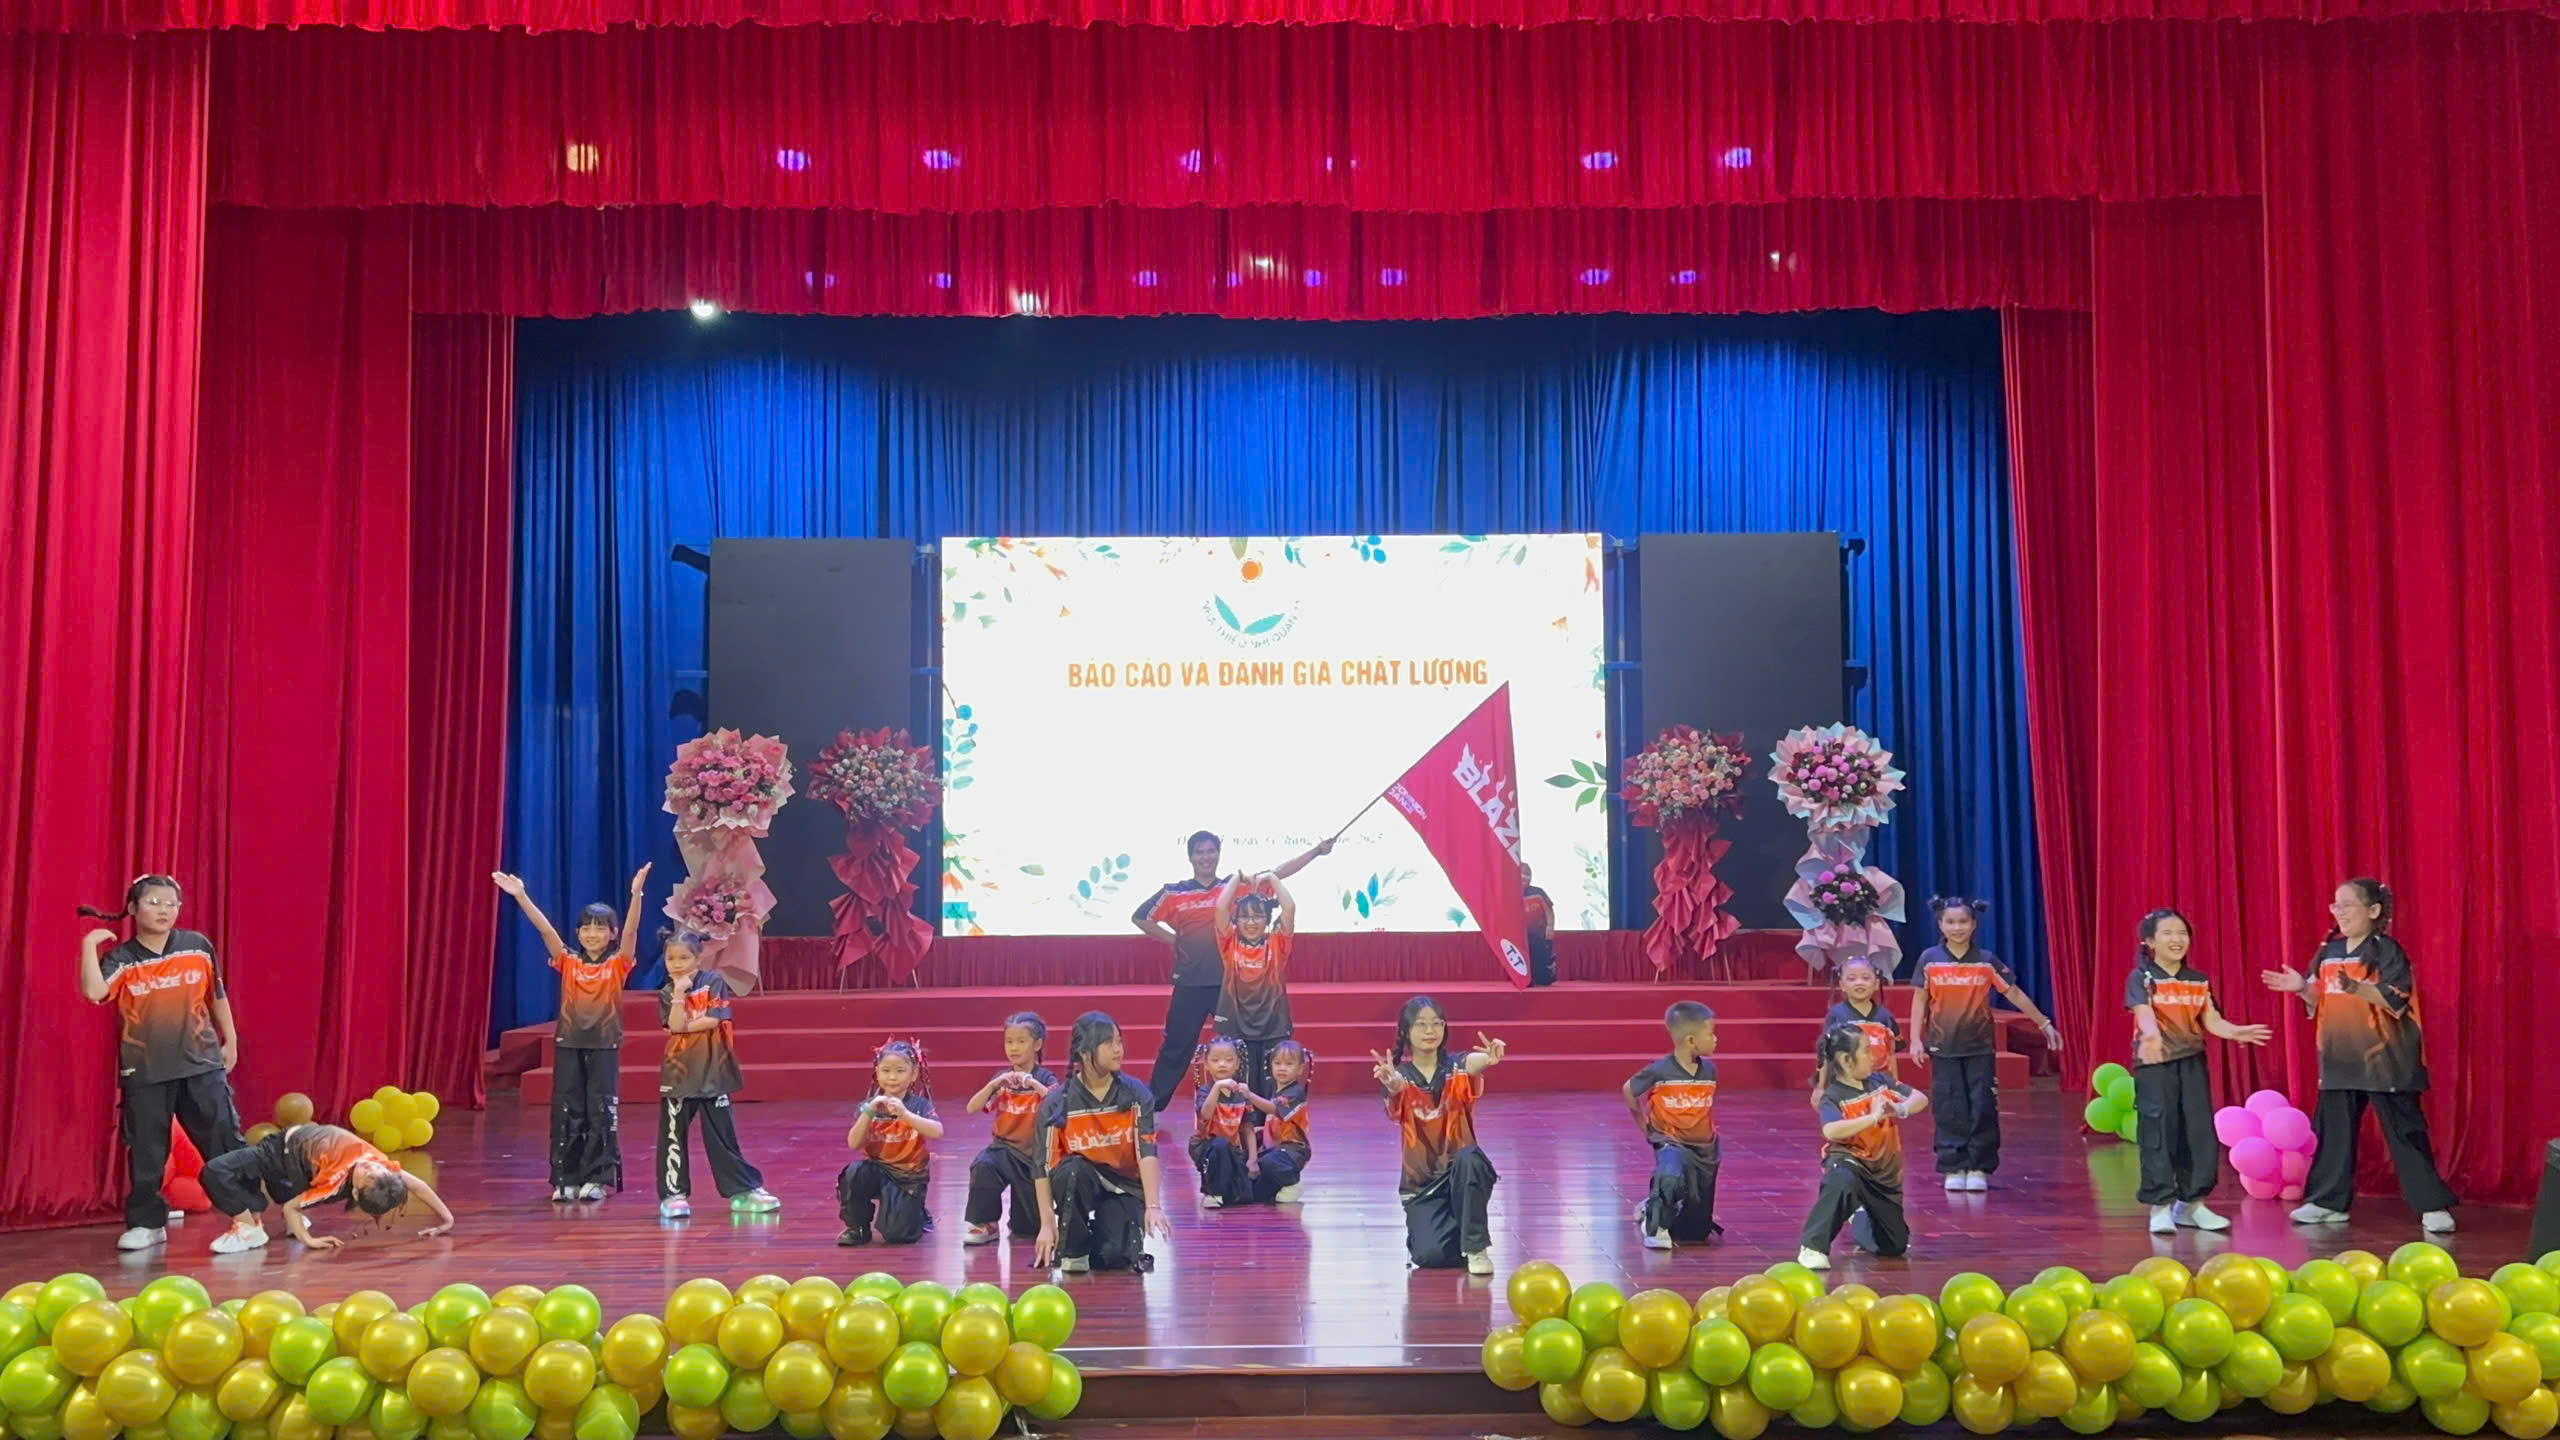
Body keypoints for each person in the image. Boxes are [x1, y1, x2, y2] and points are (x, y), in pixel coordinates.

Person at [2261, 877, 2458, 1234]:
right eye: (2335, 905)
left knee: (2405, 1133)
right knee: (2334, 1133)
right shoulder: (2329, 951)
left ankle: (2432, 1205)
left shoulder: (2386, 950)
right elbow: (2318, 998)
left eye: (2347, 905)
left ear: (2373, 910)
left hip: (2386, 1059)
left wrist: (2358, 988)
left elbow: (2396, 997)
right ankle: (2328, 1202)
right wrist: (2301, 988)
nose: (2339, 912)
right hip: (2339, 1057)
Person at [78, 875, 247, 1252]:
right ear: (133, 908)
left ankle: (249, 1217)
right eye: (154, 902)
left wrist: (231, 1039)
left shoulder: (197, 946)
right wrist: (88, 946)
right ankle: (147, 1223)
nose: (164, 910)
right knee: (147, 1150)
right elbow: (93, 991)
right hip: (145, 1071)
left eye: (171, 904)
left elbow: (216, 995)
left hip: (201, 1064)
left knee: (224, 1141)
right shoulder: (123, 958)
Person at [1131, 833, 1331, 1112]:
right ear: (1190, 857)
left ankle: (1248, 1111)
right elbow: (1140, 917)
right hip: (1191, 983)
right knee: (1176, 1046)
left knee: (1242, 1050)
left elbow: (1277, 873)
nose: (1205, 857)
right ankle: (1152, 1108)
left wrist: (1315, 852)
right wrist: (1173, 939)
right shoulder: (1174, 892)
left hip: (1231, 987)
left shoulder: (1233, 887)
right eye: (1199, 852)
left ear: (1218, 854)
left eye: (1211, 851)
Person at [494, 865, 650, 1202]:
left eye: (600, 928)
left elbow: (633, 931)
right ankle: (565, 1177)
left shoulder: (618, 964)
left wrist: (636, 894)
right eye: (586, 928)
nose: (592, 934)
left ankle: (597, 1177)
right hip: (568, 1045)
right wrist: (521, 896)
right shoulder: (568, 961)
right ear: (578, 933)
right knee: (567, 1108)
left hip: (604, 1045)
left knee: (600, 1109)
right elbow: (545, 929)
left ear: (612, 934)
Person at [2126, 909, 2269, 1234]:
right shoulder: (2142, 977)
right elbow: (2143, 1012)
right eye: (2167, 933)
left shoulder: (2198, 980)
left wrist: (2234, 1031)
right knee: (2159, 1132)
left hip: (2191, 1062)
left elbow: (2212, 1020)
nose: (2177, 939)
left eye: (2182, 933)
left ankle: (2191, 1205)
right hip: (2155, 1064)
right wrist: (2151, 1035)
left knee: (2198, 1132)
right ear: (2150, 941)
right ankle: (2160, 1206)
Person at [1906, 896, 2059, 1192]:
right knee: (1948, 1106)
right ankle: (1954, 1165)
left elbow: (2014, 993)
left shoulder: (1986, 960)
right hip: (1943, 1046)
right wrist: (1915, 1039)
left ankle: (1978, 1166)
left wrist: (2044, 1023)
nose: (1957, 927)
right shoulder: (1929, 959)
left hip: (1979, 1047)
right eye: (1950, 922)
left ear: (1974, 924)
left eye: (1963, 921)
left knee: (1982, 1105)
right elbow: (1920, 1000)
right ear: (1940, 924)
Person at [1373, 996, 1506, 1274]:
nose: (1430, 1031)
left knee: (1470, 1158)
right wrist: (1393, 1085)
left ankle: (1476, 1246)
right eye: (1421, 1024)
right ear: (1406, 1031)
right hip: (1422, 1186)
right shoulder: (1399, 1076)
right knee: (1430, 1256)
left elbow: (1474, 1063)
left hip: (1461, 1173)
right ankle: (1456, 1230)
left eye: (1436, 1023)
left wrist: (1489, 1058)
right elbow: (1395, 1091)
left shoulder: (1456, 1067)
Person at [655, 930, 780, 1221]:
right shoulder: (666, 993)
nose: (677, 964)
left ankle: (742, 1189)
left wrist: (684, 1026)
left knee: (722, 1135)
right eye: (671, 958)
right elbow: (674, 1025)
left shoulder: (713, 982)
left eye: (684, 958)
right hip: (678, 1073)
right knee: (673, 1135)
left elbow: (712, 1020)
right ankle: (673, 1194)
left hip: (713, 1069)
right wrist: (678, 994)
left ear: (698, 958)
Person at [1034, 1012, 1173, 1273]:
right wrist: (1046, 1224)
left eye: (1119, 1041)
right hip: (1081, 1179)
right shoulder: (1056, 1103)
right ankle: (1074, 1248)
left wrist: (1153, 1206)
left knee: (1115, 1256)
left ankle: (1099, 1236)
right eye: (1109, 1043)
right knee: (1071, 1171)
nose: (1118, 1049)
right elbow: (1043, 1167)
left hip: (1123, 1186)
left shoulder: (1136, 1094)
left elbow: (1147, 1152)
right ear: (1085, 1053)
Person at [204, 1123, 452, 1253]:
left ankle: (249, 1229)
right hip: (293, 1161)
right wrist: (447, 1219)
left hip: (280, 1155)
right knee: (271, 1184)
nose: (370, 1165)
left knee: (215, 1172)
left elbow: (290, 1207)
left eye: (367, 1174)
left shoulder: (333, 1183)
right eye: (376, 1169)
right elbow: (419, 1187)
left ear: (355, 1192)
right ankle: (286, 1222)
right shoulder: (384, 1169)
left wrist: (308, 1241)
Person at [1798, 1026, 1928, 1271]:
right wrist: (1873, 1117)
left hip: (1883, 1175)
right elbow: (1831, 1130)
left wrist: (1900, 1109)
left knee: (1894, 1245)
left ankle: (1859, 1216)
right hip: (1851, 1162)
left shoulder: (1880, 1082)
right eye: (1866, 1051)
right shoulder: (1833, 1096)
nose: (1873, 1056)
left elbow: (1920, 1098)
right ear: (1846, 1060)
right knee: (1842, 1179)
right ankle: (1813, 1246)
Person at [1625, 1001, 1721, 1251]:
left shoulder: (1710, 1071)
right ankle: (1655, 1227)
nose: (1716, 1039)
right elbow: (1629, 1090)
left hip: (1705, 1149)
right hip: (1670, 1140)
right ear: (1691, 1040)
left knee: (1696, 1232)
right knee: (1670, 1176)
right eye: (1711, 1034)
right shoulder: (1660, 1070)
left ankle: (1652, 1207)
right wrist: (1646, 1127)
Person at [963, 1012, 1058, 1247]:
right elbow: (971, 1107)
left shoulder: (1046, 1078)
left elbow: (1058, 1107)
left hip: (1033, 1157)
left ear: (1037, 1045)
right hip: (1003, 1149)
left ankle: (1024, 1218)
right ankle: (985, 1223)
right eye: (1009, 1041)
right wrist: (993, 1085)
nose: (1014, 1048)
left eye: (1021, 1041)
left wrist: (1034, 1084)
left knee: (1027, 1229)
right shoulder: (1002, 1079)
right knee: (983, 1165)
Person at [837, 1039, 941, 1246]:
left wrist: (905, 1114)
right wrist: (869, 1112)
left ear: (913, 1074)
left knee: (897, 1235)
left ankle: (917, 1213)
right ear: (877, 1072)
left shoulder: (919, 1105)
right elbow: (853, 1143)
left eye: (900, 1071)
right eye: (886, 1071)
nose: (892, 1077)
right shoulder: (868, 1106)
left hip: (907, 1177)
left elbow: (937, 1132)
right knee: (854, 1172)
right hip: (877, 1170)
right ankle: (857, 1227)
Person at [1211, 871, 1297, 1099]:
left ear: (1267, 920)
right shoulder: (1229, 943)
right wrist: (1236, 879)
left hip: (1273, 1024)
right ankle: (1243, 1121)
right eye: (1244, 917)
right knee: (1241, 1086)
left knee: (1272, 1084)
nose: (1251, 922)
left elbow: (1289, 907)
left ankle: (1270, 1120)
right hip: (1236, 1022)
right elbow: (1220, 909)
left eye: (1258, 916)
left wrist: (1272, 878)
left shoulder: (1277, 943)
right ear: (1236, 920)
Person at [1190, 1037, 1256, 1208]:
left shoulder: (1241, 1092)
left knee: (1245, 1195)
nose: (1222, 1064)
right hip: (1208, 1147)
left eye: (1228, 1060)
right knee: (1219, 1146)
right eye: (1215, 1060)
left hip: (1233, 1148)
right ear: (1207, 1064)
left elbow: (1248, 1127)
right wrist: (1217, 1087)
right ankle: (1212, 1192)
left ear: (1237, 1063)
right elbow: (1205, 1113)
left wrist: (1253, 1159)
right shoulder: (1206, 1091)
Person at [1247, 1040, 1313, 1204]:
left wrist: (1249, 1095)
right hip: (1275, 1148)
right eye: (1277, 1063)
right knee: (1255, 1193)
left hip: (1293, 1150)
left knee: (1268, 1161)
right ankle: (1278, 1184)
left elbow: (1274, 1109)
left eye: (1289, 1064)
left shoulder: (1295, 1093)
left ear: (1300, 1069)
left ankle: (1292, 1183)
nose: (1282, 1068)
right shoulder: (1277, 1090)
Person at [1823, 955, 1901, 1079]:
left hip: (1879, 1082)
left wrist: (1895, 1083)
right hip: (1846, 1082)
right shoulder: (1836, 1015)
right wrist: (1821, 1086)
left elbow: (1891, 1054)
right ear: (1842, 985)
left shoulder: (1885, 1016)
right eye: (1852, 978)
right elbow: (1826, 1053)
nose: (1859, 982)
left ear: (1876, 984)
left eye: (1865, 978)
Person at [1521, 865, 1558, 987]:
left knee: (1541, 959)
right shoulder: (1510, 894)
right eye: (1522, 873)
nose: (1524, 877)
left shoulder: (1538, 892)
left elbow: (1549, 911)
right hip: (1521, 936)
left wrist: (1550, 927)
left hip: (1540, 934)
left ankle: (1543, 979)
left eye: (1528, 874)